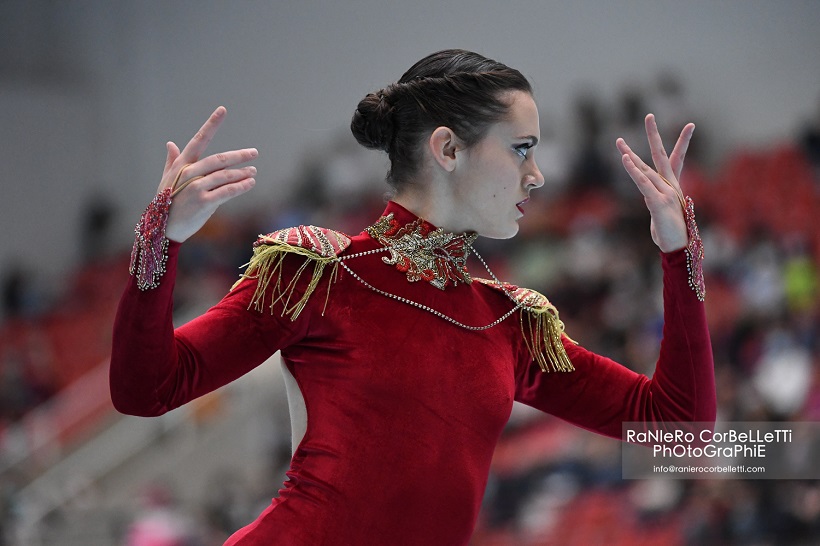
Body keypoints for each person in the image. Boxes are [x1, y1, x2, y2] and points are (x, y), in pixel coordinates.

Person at [110, 49, 715, 545]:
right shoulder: (319, 274)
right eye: (521, 148)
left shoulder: (510, 324)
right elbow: (147, 388)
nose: (539, 176)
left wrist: (677, 251)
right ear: (448, 150)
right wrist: (160, 237)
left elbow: (682, 425)